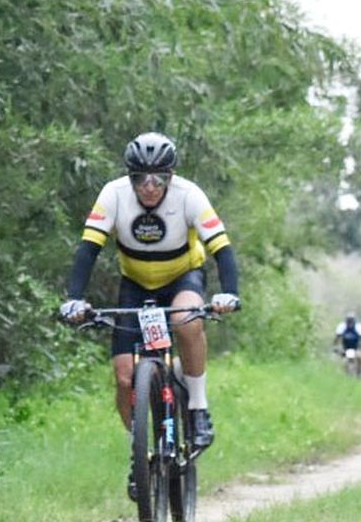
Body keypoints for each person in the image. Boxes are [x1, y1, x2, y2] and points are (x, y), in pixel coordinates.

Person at [59, 131, 240, 460]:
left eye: (159, 178)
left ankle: (198, 408)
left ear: (171, 176)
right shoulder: (113, 195)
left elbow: (222, 249)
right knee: (125, 378)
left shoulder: (189, 195)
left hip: (182, 277)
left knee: (185, 321)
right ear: (130, 177)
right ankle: (138, 454)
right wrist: (74, 298)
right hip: (135, 284)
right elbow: (88, 251)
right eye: (140, 177)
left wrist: (229, 293)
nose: (150, 186)